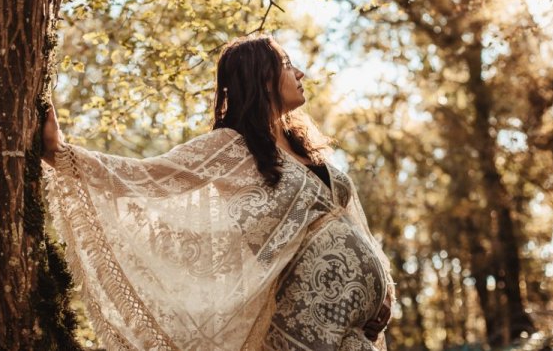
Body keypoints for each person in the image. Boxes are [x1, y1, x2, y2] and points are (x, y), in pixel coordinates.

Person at [42, 34, 394, 350]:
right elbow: (147, 177)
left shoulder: (309, 148)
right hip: (302, 328)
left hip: (354, 330)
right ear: (263, 77)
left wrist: (384, 290)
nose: (300, 73)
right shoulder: (230, 148)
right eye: (288, 65)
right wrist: (62, 154)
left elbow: (352, 225)